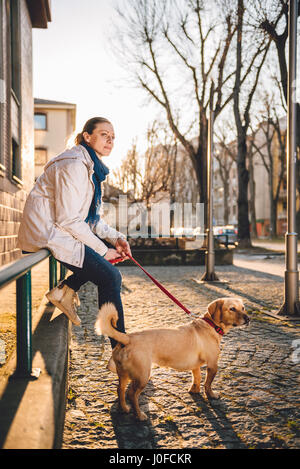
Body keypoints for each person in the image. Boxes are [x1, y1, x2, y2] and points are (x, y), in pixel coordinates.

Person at [17, 116, 131, 371]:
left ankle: (64, 291)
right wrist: (104, 251)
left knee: (104, 269)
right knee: (110, 277)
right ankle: (122, 355)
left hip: (60, 229)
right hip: (48, 231)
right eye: (104, 134)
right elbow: (69, 220)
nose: (110, 140)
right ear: (87, 136)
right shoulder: (75, 165)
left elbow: (89, 221)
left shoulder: (91, 168)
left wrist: (116, 238)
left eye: (113, 137)